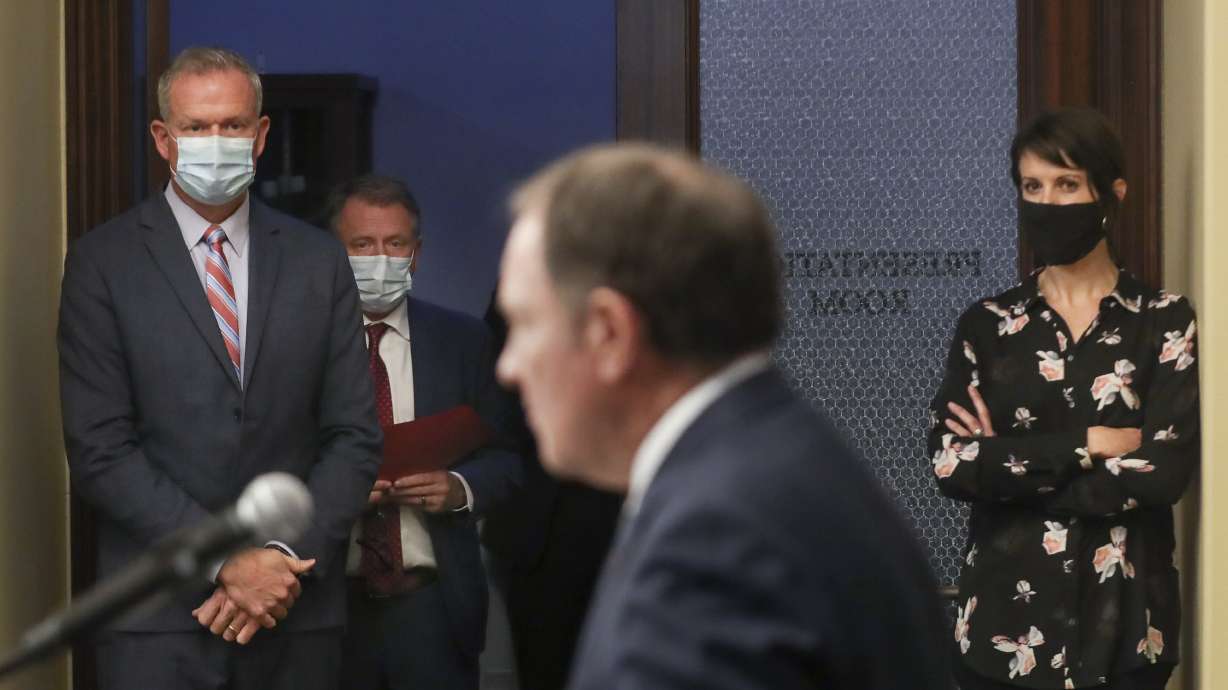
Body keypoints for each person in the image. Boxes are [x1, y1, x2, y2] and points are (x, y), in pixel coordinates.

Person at [494, 143, 949, 690]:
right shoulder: (774, 454)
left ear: (609, 332)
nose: (508, 368)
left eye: (522, 323)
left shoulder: (712, 536)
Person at [58, 47, 381, 689]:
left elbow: (353, 436)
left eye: (232, 125)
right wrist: (225, 560)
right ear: (163, 139)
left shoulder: (319, 262)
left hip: (298, 614)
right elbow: (100, 450)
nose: (215, 141)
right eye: (196, 127)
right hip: (157, 624)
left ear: (261, 136)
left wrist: (281, 562)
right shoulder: (102, 264)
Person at [929, 108, 1199, 690]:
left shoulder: (1164, 322)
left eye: (1067, 184)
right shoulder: (987, 325)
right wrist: (1090, 444)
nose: (1047, 203)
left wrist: (1007, 462)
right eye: (1033, 186)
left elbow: (1162, 474)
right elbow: (951, 464)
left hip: (1128, 636)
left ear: (1111, 193)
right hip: (1001, 637)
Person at [325, 174, 524, 690]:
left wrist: (459, 488)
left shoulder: (463, 340)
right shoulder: (299, 345)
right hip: (327, 607)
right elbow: (267, 460)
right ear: (334, 252)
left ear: (416, 253)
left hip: (433, 607)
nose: (380, 258)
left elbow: (508, 457)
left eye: (395, 244)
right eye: (362, 245)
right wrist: (335, 492)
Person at [481, 295, 622, 690]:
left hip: (638, 519)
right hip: (541, 526)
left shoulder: (661, 270)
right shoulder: (531, 268)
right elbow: (497, 390)